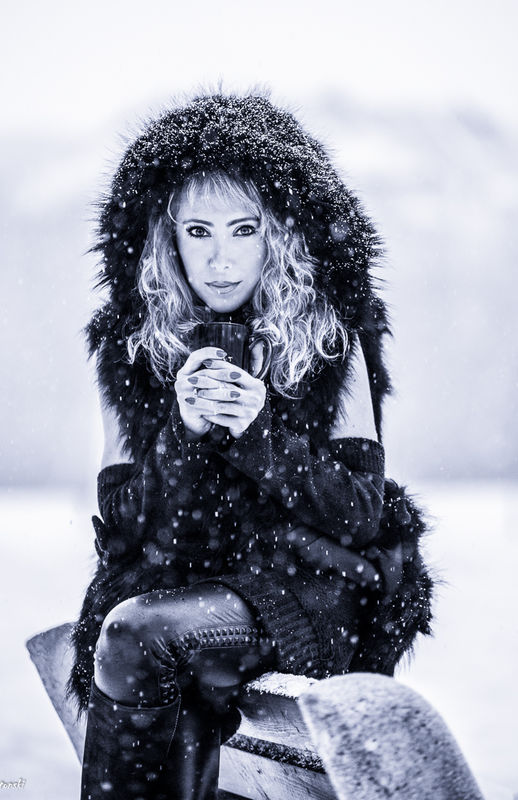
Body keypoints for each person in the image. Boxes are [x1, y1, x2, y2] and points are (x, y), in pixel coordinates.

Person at [66, 91, 433, 800]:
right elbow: (126, 531)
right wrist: (182, 432)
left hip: (306, 595)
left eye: (244, 230)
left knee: (142, 637)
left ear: (280, 235)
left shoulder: (330, 337)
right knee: (159, 651)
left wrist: (261, 434)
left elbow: (360, 516)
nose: (220, 259)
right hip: (183, 593)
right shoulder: (132, 349)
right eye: (198, 231)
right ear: (166, 239)